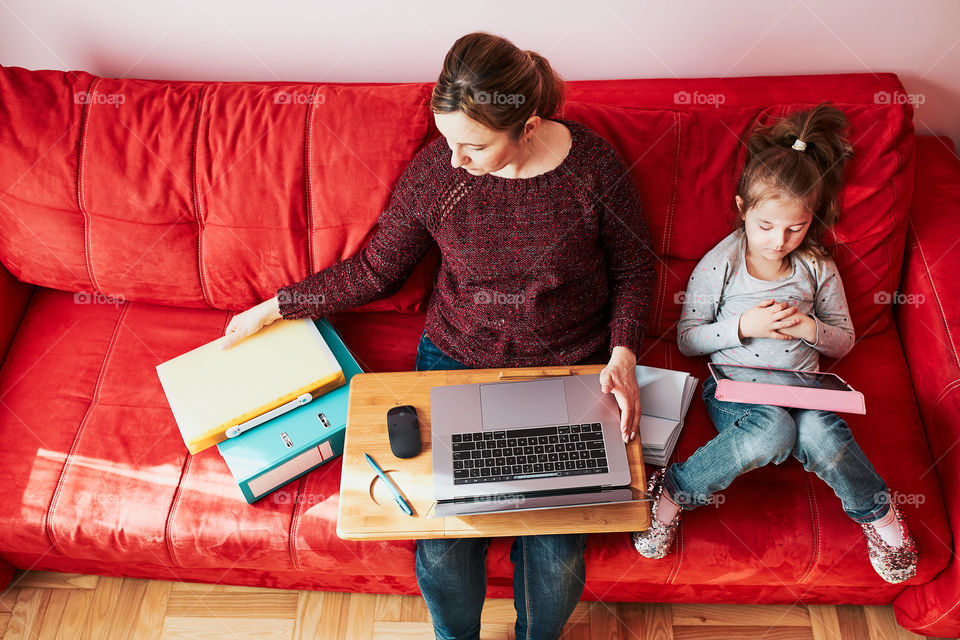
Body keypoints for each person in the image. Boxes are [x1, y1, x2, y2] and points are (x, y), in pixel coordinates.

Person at [223, 32, 657, 639]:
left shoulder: (593, 168)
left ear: (527, 125)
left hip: (566, 367)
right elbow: (376, 269)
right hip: (457, 357)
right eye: (447, 139)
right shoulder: (438, 173)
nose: (455, 159)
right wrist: (277, 307)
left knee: (558, 550)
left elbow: (636, 269)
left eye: (472, 145)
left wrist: (622, 352)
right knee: (444, 543)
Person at [631, 104, 918, 584]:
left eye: (795, 228)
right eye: (765, 226)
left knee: (822, 436)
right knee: (771, 432)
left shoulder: (817, 267)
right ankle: (674, 491)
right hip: (737, 385)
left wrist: (811, 331)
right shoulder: (722, 261)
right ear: (743, 209)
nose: (779, 240)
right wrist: (742, 325)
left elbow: (843, 340)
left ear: (811, 220)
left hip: (804, 385)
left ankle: (880, 516)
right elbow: (688, 338)